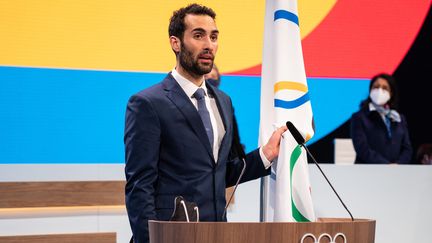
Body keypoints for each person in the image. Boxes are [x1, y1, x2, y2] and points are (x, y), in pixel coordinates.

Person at [124, 4, 286, 243]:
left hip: (217, 234)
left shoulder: (223, 101)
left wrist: (265, 154)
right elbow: (140, 186)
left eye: (214, 36)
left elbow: (223, 172)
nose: (208, 45)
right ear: (175, 43)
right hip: (171, 236)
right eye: (198, 35)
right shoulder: (147, 103)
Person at [350, 73, 412, 164]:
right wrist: (386, 165)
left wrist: (398, 164)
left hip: (397, 172)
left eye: (385, 88)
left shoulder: (399, 118)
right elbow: (362, 148)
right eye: (376, 87)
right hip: (368, 171)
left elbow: (407, 148)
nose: (380, 90)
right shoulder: (359, 117)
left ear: (391, 93)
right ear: (370, 90)